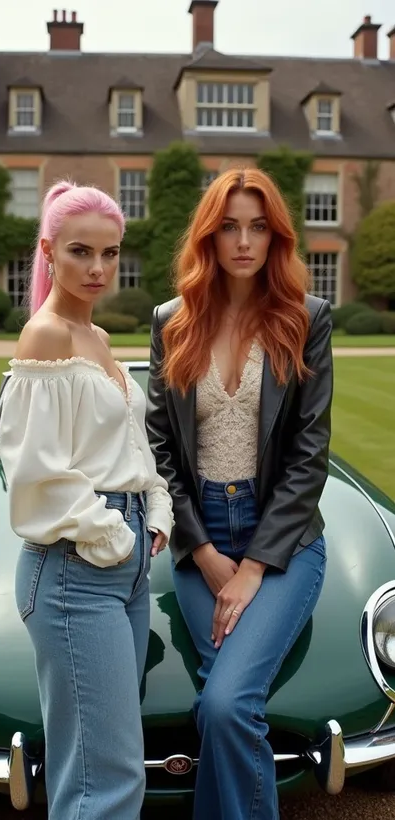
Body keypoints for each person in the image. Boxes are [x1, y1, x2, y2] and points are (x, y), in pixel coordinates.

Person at [145, 167, 332, 820]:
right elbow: (160, 448)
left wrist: (252, 566)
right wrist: (201, 552)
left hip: (281, 543)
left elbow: (310, 458)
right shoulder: (172, 321)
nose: (244, 241)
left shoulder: (307, 319)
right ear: (210, 236)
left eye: (258, 226)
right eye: (229, 227)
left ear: (275, 237)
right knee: (222, 705)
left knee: (224, 705)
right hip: (204, 543)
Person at [0, 180, 174, 820]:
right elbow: (40, 474)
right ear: (47, 251)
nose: (99, 269)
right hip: (76, 568)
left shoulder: (96, 337)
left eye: (110, 252)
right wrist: (113, 532)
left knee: (101, 766)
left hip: (119, 566)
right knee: (108, 778)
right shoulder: (46, 337)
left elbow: (127, 447)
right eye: (80, 252)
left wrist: (153, 506)